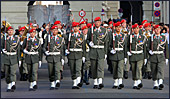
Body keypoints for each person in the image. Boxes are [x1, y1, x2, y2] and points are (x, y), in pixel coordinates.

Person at [87, 17, 108, 89]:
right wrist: (89, 43)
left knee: (100, 67)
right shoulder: (91, 30)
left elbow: (106, 42)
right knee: (93, 67)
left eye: (98, 21)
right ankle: (95, 82)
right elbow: (87, 39)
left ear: (100, 22)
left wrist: (105, 52)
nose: (97, 23)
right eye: (96, 22)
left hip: (101, 50)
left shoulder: (104, 30)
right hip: (93, 50)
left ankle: (100, 81)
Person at [147, 25, 169, 90]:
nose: (157, 30)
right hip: (153, 56)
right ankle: (155, 83)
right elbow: (147, 47)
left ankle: (160, 83)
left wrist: (167, 57)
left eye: (158, 29)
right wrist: (149, 51)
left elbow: (166, 49)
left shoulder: (163, 38)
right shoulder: (151, 38)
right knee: (154, 70)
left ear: (160, 30)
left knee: (161, 69)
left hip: (161, 56)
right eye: (156, 29)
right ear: (154, 30)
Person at [43, 25, 65, 90]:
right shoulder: (48, 37)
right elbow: (44, 46)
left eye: (56, 30)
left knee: (57, 70)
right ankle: (52, 83)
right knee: (51, 71)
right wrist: (45, 52)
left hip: (57, 56)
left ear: (58, 31)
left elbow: (62, 49)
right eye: (53, 30)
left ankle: (57, 80)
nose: (54, 31)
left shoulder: (61, 39)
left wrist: (62, 58)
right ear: (51, 31)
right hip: (50, 56)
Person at [65, 22, 86, 89]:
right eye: (74, 27)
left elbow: (84, 47)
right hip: (71, 54)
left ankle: (78, 82)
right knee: (72, 69)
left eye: (77, 27)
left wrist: (84, 56)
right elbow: (66, 44)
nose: (76, 28)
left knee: (78, 69)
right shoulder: (70, 35)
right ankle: (74, 82)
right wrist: (66, 50)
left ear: (79, 28)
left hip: (79, 54)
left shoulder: (81, 36)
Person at [127, 24, 147, 90]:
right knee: (134, 69)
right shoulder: (130, 37)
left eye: (137, 28)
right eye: (134, 28)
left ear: (139, 29)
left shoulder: (143, 37)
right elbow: (127, 46)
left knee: (138, 68)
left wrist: (145, 57)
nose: (136, 30)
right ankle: (135, 82)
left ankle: (139, 81)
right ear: (132, 29)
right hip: (132, 55)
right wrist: (128, 52)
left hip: (140, 55)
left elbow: (144, 48)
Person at [108, 22, 128, 89]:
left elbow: (125, 47)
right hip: (114, 54)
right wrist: (111, 50)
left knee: (120, 68)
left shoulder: (124, 36)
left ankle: (120, 82)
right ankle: (115, 82)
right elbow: (108, 45)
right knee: (115, 68)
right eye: (117, 27)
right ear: (115, 28)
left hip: (121, 54)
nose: (118, 28)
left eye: (119, 27)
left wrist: (125, 56)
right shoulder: (112, 35)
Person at [1, 26, 20, 92]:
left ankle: (13, 84)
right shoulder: (4, 38)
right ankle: (9, 84)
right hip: (6, 57)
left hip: (13, 57)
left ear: (13, 31)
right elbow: (1, 46)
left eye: (11, 30)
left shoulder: (16, 39)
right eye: (9, 30)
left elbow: (18, 50)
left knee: (13, 72)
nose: (10, 31)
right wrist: (3, 50)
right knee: (7, 73)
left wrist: (19, 59)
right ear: (7, 31)